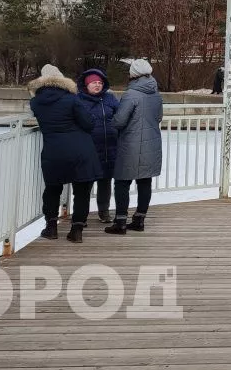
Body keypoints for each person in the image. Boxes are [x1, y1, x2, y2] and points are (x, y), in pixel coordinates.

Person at [28, 64, 102, 244]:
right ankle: (76, 230)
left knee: (52, 189)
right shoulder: (72, 99)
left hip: (54, 151)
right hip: (80, 151)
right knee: (82, 190)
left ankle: (51, 227)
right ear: (62, 80)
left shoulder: (36, 102)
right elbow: (88, 123)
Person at [107, 59, 164, 234]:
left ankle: (121, 222)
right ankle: (139, 220)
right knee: (145, 181)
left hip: (130, 144)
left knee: (122, 182)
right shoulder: (156, 94)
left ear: (133, 74)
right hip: (152, 142)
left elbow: (119, 121)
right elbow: (159, 117)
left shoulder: (131, 94)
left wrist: (111, 120)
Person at [76, 68, 119, 223]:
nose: (97, 85)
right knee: (85, 184)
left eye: (100, 83)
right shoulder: (78, 100)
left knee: (105, 182)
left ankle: (104, 211)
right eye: (94, 82)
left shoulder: (110, 99)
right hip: (88, 149)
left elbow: (119, 115)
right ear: (86, 85)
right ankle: (82, 215)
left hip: (109, 148)